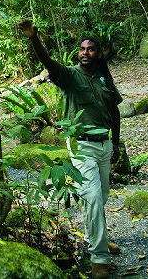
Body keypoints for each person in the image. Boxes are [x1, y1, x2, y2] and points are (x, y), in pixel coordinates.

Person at [18, 20, 121, 279]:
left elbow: (114, 110)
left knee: (101, 195)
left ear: (99, 53)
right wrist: (34, 39)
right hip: (81, 143)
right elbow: (50, 64)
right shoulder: (70, 75)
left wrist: (117, 143)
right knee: (93, 196)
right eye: (82, 49)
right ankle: (98, 258)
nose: (85, 53)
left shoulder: (104, 77)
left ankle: (93, 236)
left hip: (105, 145)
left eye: (91, 49)